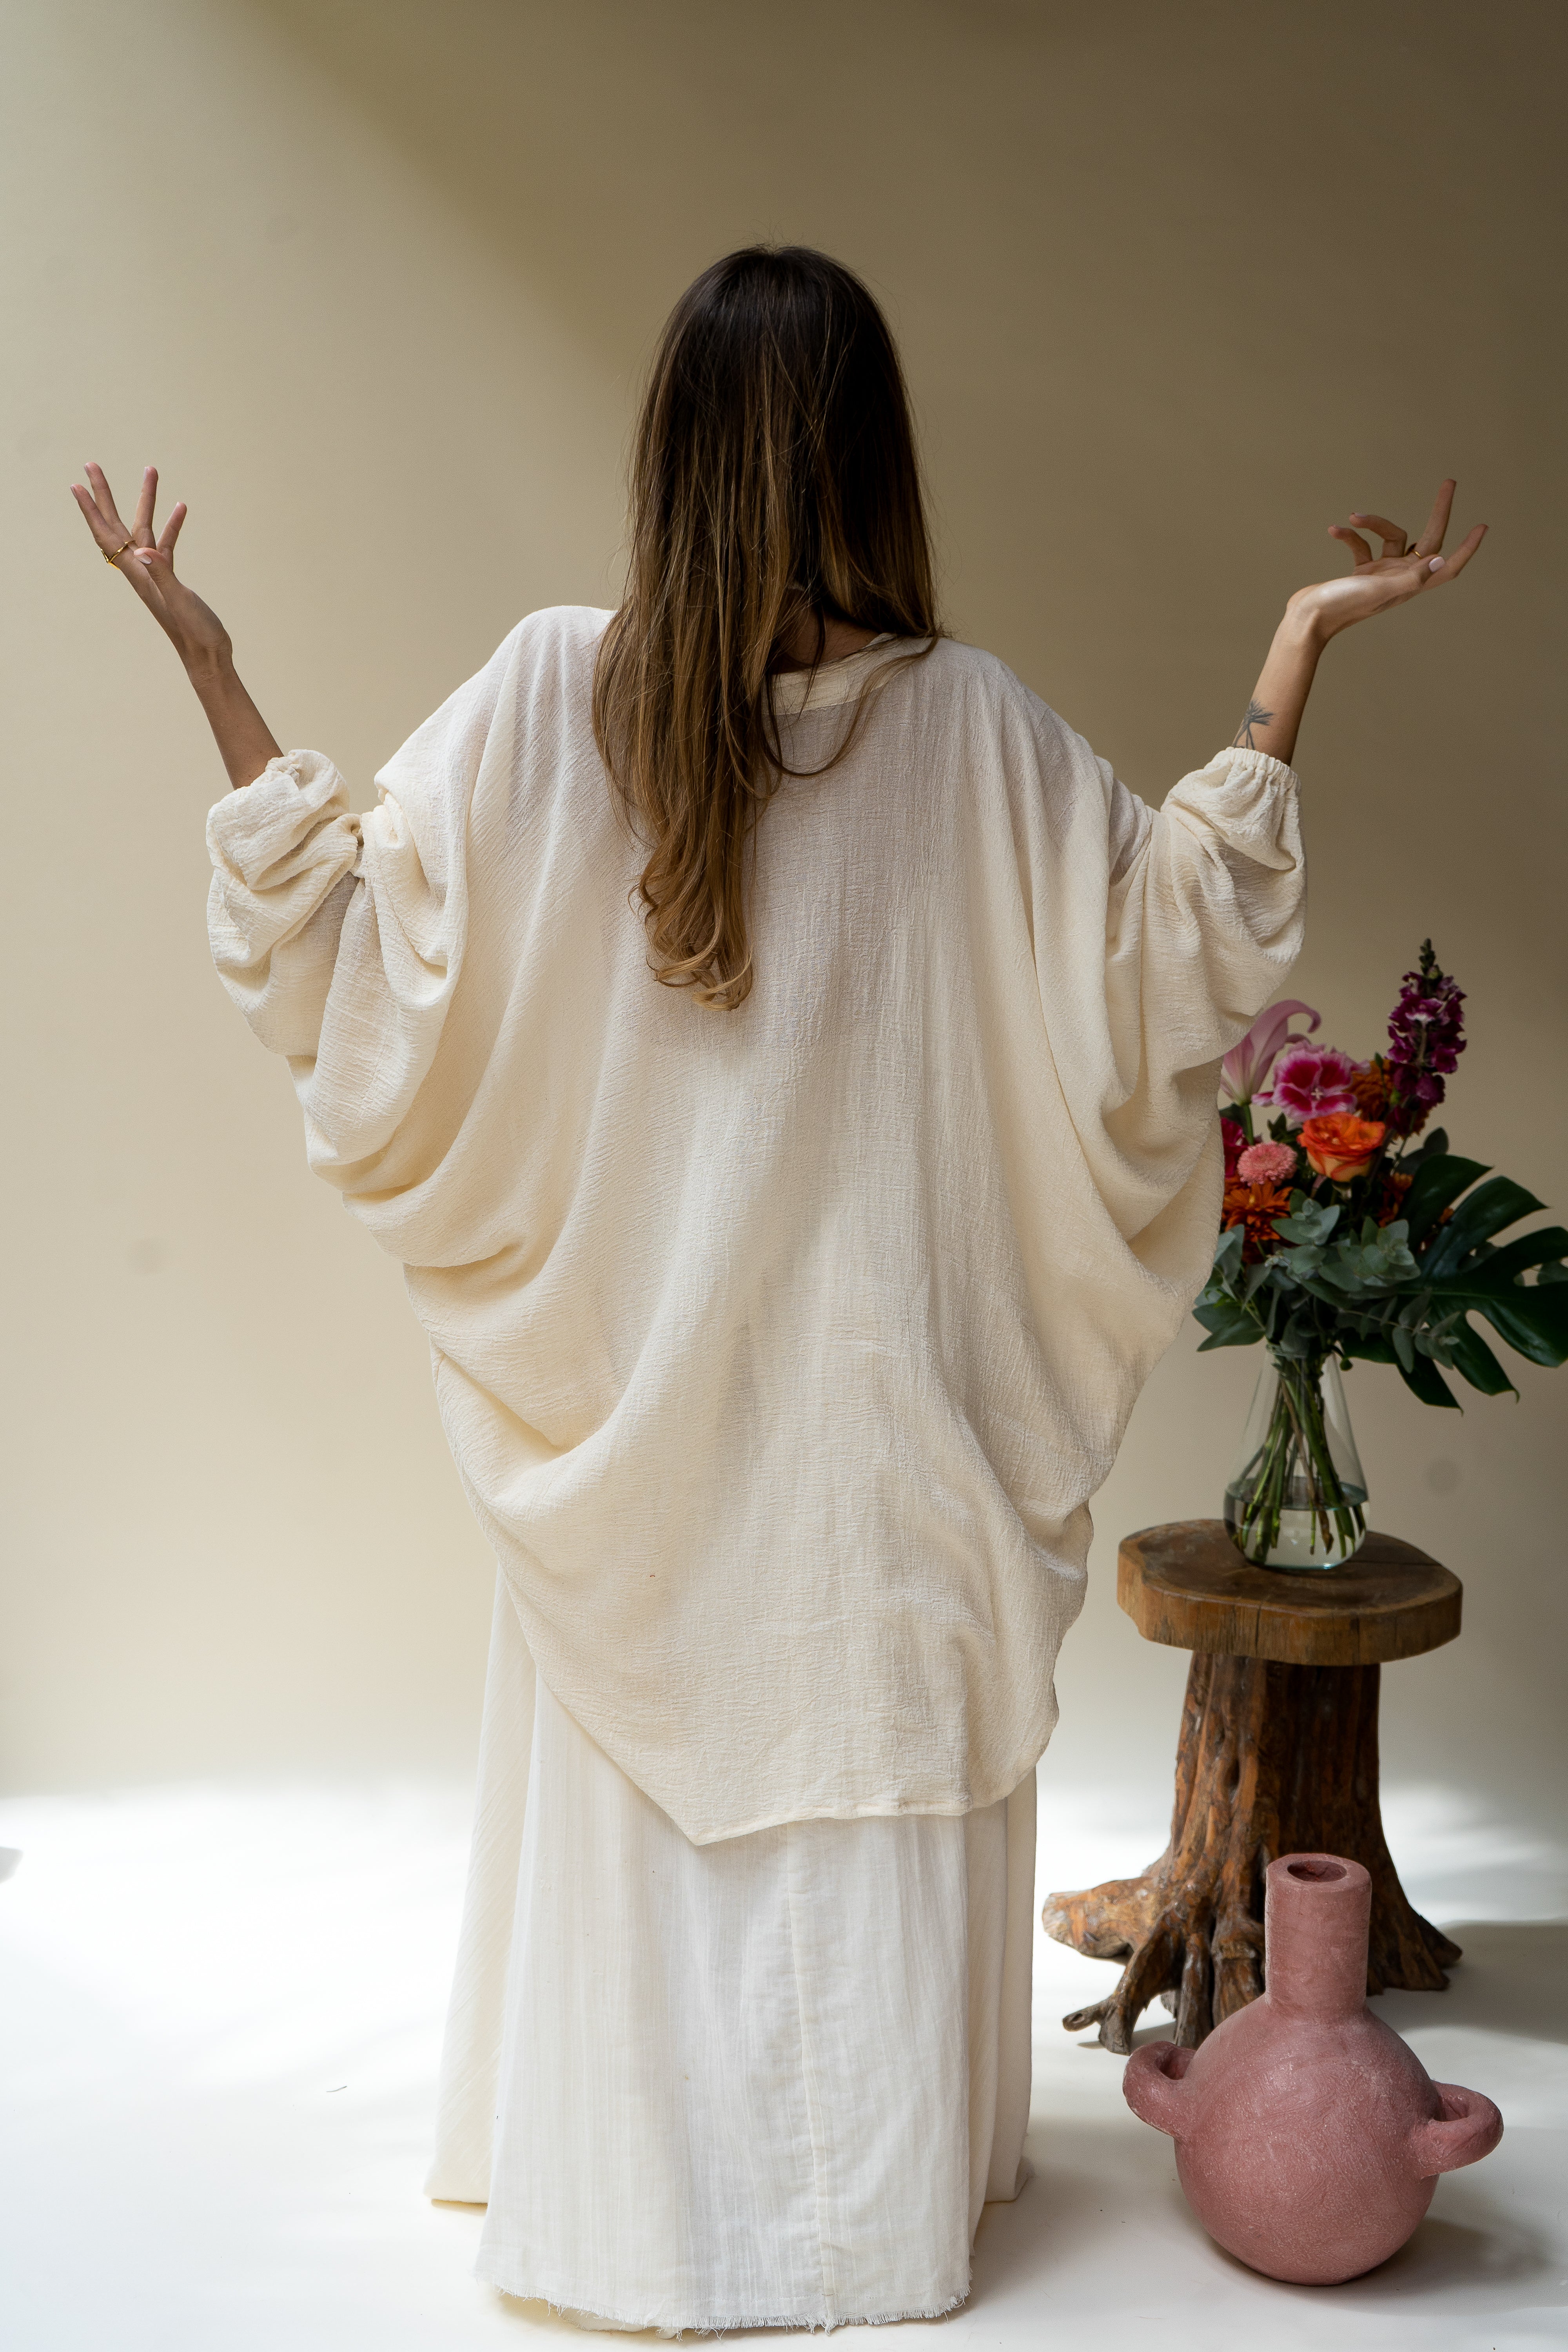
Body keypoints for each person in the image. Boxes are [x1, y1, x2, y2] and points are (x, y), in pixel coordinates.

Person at [73, 245, 1484, 2332]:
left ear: (676, 449)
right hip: (876, 1452)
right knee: (863, 1712)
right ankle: (854, 2226)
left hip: (647, 1447)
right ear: (866, 453)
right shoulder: (954, 726)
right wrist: (1292, 658)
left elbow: (357, 958)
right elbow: (1169, 957)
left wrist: (216, 670)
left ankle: (649, 2214)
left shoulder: (571, 694)